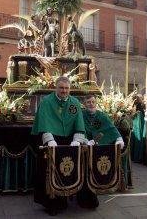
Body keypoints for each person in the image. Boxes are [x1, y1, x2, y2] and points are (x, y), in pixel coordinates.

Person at [31, 76, 86, 216]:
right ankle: (51, 203)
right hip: (51, 141)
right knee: (49, 171)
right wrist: (49, 140)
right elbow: (43, 123)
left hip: (69, 142)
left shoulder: (74, 102)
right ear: (56, 88)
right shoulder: (46, 102)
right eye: (61, 88)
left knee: (66, 170)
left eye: (67, 88)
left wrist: (77, 140)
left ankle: (65, 198)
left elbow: (79, 123)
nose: (64, 91)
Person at [131, 95, 146, 163]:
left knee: (136, 140)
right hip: (137, 126)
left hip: (137, 126)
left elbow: (134, 116)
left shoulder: (137, 108)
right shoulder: (139, 107)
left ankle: (136, 156)